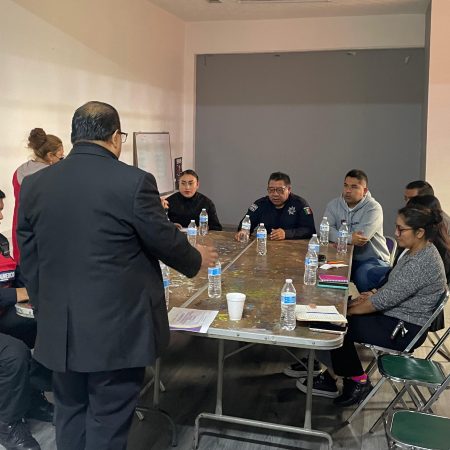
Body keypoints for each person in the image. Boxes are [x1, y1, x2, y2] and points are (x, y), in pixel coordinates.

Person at [17, 101, 218, 450]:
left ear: (74, 136)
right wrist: (196, 258)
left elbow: (29, 254)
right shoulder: (133, 181)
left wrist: (44, 300)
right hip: (117, 330)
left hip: (59, 327)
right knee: (108, 419)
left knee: (69, 411)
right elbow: (162, 239)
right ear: (115, 137)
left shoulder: (35, 184)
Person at [296, 204, 448, 406]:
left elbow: (381, 302)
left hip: (403, 329)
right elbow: (391, 285)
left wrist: (346, 311)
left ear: (420, 232)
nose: (396, 233)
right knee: (333, 315)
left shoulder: (421, 263)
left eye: (401, 229)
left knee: (334, 326)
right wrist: (371, 294)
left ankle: (357, 381)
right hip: (395, 316)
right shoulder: (416, 251)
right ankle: (334, 375)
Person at [0, 189, 52, 450]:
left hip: (3, 315)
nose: (1, 216)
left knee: (47, 326)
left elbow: (16, 274)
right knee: (14, 354)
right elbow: (17, 290)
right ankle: (8, 425)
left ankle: (32, 397)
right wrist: (21, 293)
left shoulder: (1, 242)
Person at [323, 169, 390, 292]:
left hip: (371, 260)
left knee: (363, 275)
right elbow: (326, 230)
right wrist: (349, 238)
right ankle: (338, 303)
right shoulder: (333, 205)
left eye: (354, 187)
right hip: (341, 258)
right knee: (324, 273)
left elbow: (361, 238)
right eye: (346, 186)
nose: (348, 191)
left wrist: (337, 238)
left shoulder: (373, 208)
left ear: (365, 191)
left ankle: (369, 303)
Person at [12, 128, 64, 263]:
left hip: (21, 235)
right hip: (46, 242)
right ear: (50, 156)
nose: (63, 161)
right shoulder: (53, 176)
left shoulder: (18, 172)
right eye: (61, 157)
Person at [235, 172, 316, 241]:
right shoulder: (260, 204)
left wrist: (286, 234)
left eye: (280, 190)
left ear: (289, 189)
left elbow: (310, 230)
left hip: (293, 248)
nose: (275, 194)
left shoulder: (300, 204)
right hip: (265, 245)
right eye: (271, 190)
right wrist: (244, 231)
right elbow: (246, 223)